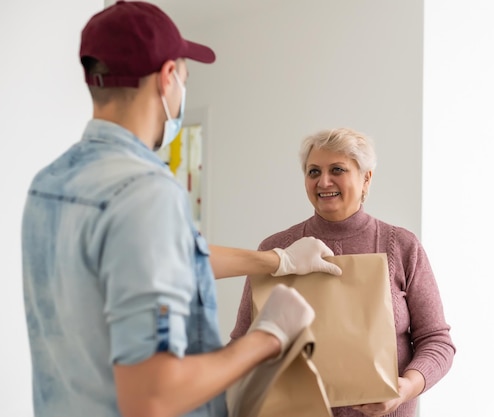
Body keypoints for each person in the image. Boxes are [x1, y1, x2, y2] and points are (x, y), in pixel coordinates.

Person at [20, 2, 342, 417]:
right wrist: (269, 337)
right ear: (168, 77)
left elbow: (156, 262)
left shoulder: (49, 183)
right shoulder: (145, 193)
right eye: (185, 79)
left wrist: (276, 260)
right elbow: (153, 396)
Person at [230, 127, 456, 417]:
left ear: (366, 178)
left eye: (337, 169)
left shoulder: (401, 246)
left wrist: (405, 388)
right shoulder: (276, 249)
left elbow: (437, 341)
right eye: (313, 172)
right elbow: (243, 342)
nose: (324, 181)